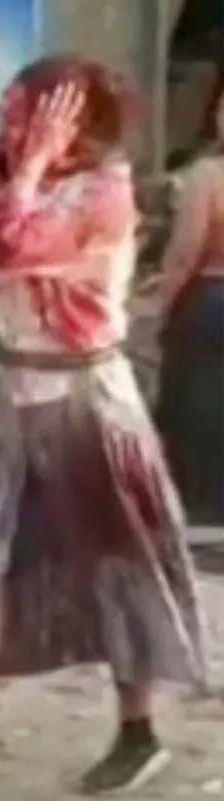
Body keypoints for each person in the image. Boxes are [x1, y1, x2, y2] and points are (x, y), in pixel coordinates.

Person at [0, 57, 208, 795]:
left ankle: (138, 731)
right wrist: (16, 174)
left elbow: (13, 246)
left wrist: (27, 172)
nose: (13, 126)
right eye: (14, 112)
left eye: (30, 113)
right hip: (16, 397)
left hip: (87, 400)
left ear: (74, 122)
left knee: (119, 566)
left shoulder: (104, 190)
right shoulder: (16, 182)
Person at [142, 91, 224, 544]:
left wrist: (161, 303)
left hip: (212, 299)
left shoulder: (207, 175)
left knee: (196, 403)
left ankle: (201, 510)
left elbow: (186, 251)